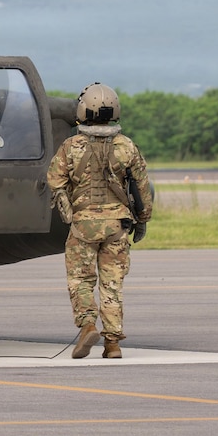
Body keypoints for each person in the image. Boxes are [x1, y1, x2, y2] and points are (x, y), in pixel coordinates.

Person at [45, 82, 153, 359]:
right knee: (112, 284)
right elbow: (142, 189)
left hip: (83, 225)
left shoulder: (70, 147)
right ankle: (113, 343)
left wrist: (67, 211)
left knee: (80, 279)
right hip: (117, 226)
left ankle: (88, 325)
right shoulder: (127, 147)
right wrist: (142, 221)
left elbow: (54, 181)